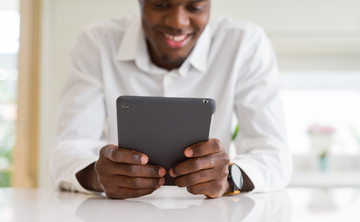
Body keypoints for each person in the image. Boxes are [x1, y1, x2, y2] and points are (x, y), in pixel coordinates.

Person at [49, 0, 292, 199]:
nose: (178, 21)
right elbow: (69, 147)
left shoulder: (245, 43)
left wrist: (230, 178)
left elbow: (274, 155)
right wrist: (98, 176)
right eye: (161, 4)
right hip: (120, 219)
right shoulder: (97, 42)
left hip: (210, 219)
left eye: (194, 7)